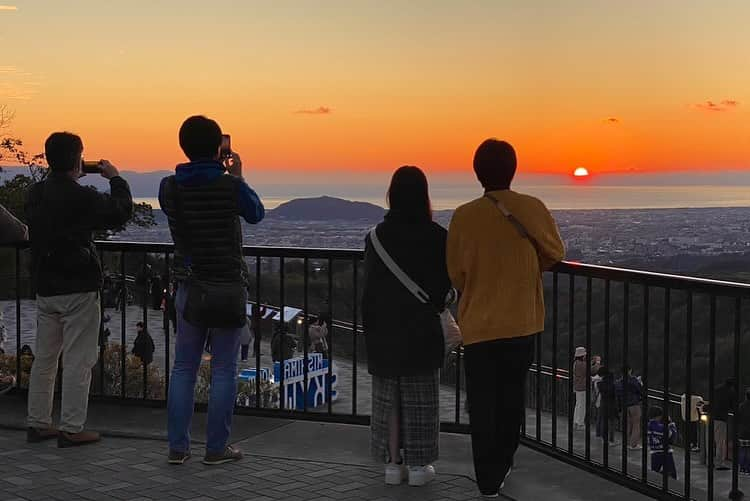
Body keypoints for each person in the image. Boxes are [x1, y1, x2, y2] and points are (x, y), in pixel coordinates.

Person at [447, 139, 565, 497]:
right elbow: (555, 252)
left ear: (477, 172)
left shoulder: (464, 215)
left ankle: (487, 477)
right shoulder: (532, 208)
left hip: (479, 325)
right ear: (513, 169)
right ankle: (504, 461)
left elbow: (456, 275)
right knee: (512, 398)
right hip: (521, 321)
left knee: (482, 402)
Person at [159, 115, 264, 466]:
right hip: (227, 288)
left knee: (183, 368)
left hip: (189, 286)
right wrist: (236, 176)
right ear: (219, 147)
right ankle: (216, 448)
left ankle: (178, 448)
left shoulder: (168, 187)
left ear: (184, 147)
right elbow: (256, 214)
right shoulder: (229, 186)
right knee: (223, 370)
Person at [25, 131, 133, 447]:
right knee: (78, 359)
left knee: (45, 357)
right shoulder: (80, 196)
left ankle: (38, 422)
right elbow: (120, 211)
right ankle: (72, 428)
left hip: (46, 286)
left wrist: (69, 173)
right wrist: (115, 178)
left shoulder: (35, 193)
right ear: (77, 158)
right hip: (79, 287)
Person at [363, 166, 451, 488]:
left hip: (383, 329)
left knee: (390, 400)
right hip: (421, 329)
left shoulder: (375, 237)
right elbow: (443, 290)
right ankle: (419, 465)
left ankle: (392, 464)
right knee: (421, 397)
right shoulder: (438, 237)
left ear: (392, 195)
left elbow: (369, 289)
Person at [712, 378, 737, 470]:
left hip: (711, 416)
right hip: (721, 418)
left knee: (711, 440)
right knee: (720, 442)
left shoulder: (716, 389)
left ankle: (709, 460)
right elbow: (733, 406)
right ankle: (719, 463)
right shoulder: (730, 392)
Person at [616, 365, 644, 450]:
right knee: (636, 425)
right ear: (630, 370)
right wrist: (640, 383)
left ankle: (627, 443)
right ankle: (634, 444)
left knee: (627, 425)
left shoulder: (619, 382)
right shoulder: (633, 380)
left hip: (624, 405)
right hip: (634, 404)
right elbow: (639, 390)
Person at [648, 406, 678, 479]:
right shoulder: (662, 428)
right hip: (665, 452)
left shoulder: (648, 425)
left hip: (654, 452)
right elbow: (672, 435)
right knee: (672, 474)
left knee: (654, 473)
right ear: (659, 416)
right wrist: (671, 424)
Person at [596, 366, 619, 446]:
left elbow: (603, 391)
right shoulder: (613, 382)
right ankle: (611, 440)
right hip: (612, 403)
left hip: (604, 402)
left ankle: (604, 439)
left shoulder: (601, 383)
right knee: (612, 422)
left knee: (604, 421)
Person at [573, 347, 588, 430]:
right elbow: (589, 370)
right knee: (582, 406)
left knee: (578, 404)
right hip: (582, 387)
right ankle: (580, 423)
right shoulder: (582, 364)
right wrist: (596, 363)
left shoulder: (576, 363)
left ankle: (576, 421)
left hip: (577, 386)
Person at [737, 389, 750, 475]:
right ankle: (748, 468)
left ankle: (742, 468)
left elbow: (738, 418)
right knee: (749, 451)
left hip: (742, 431)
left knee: (742, 449)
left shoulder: (741, 406)